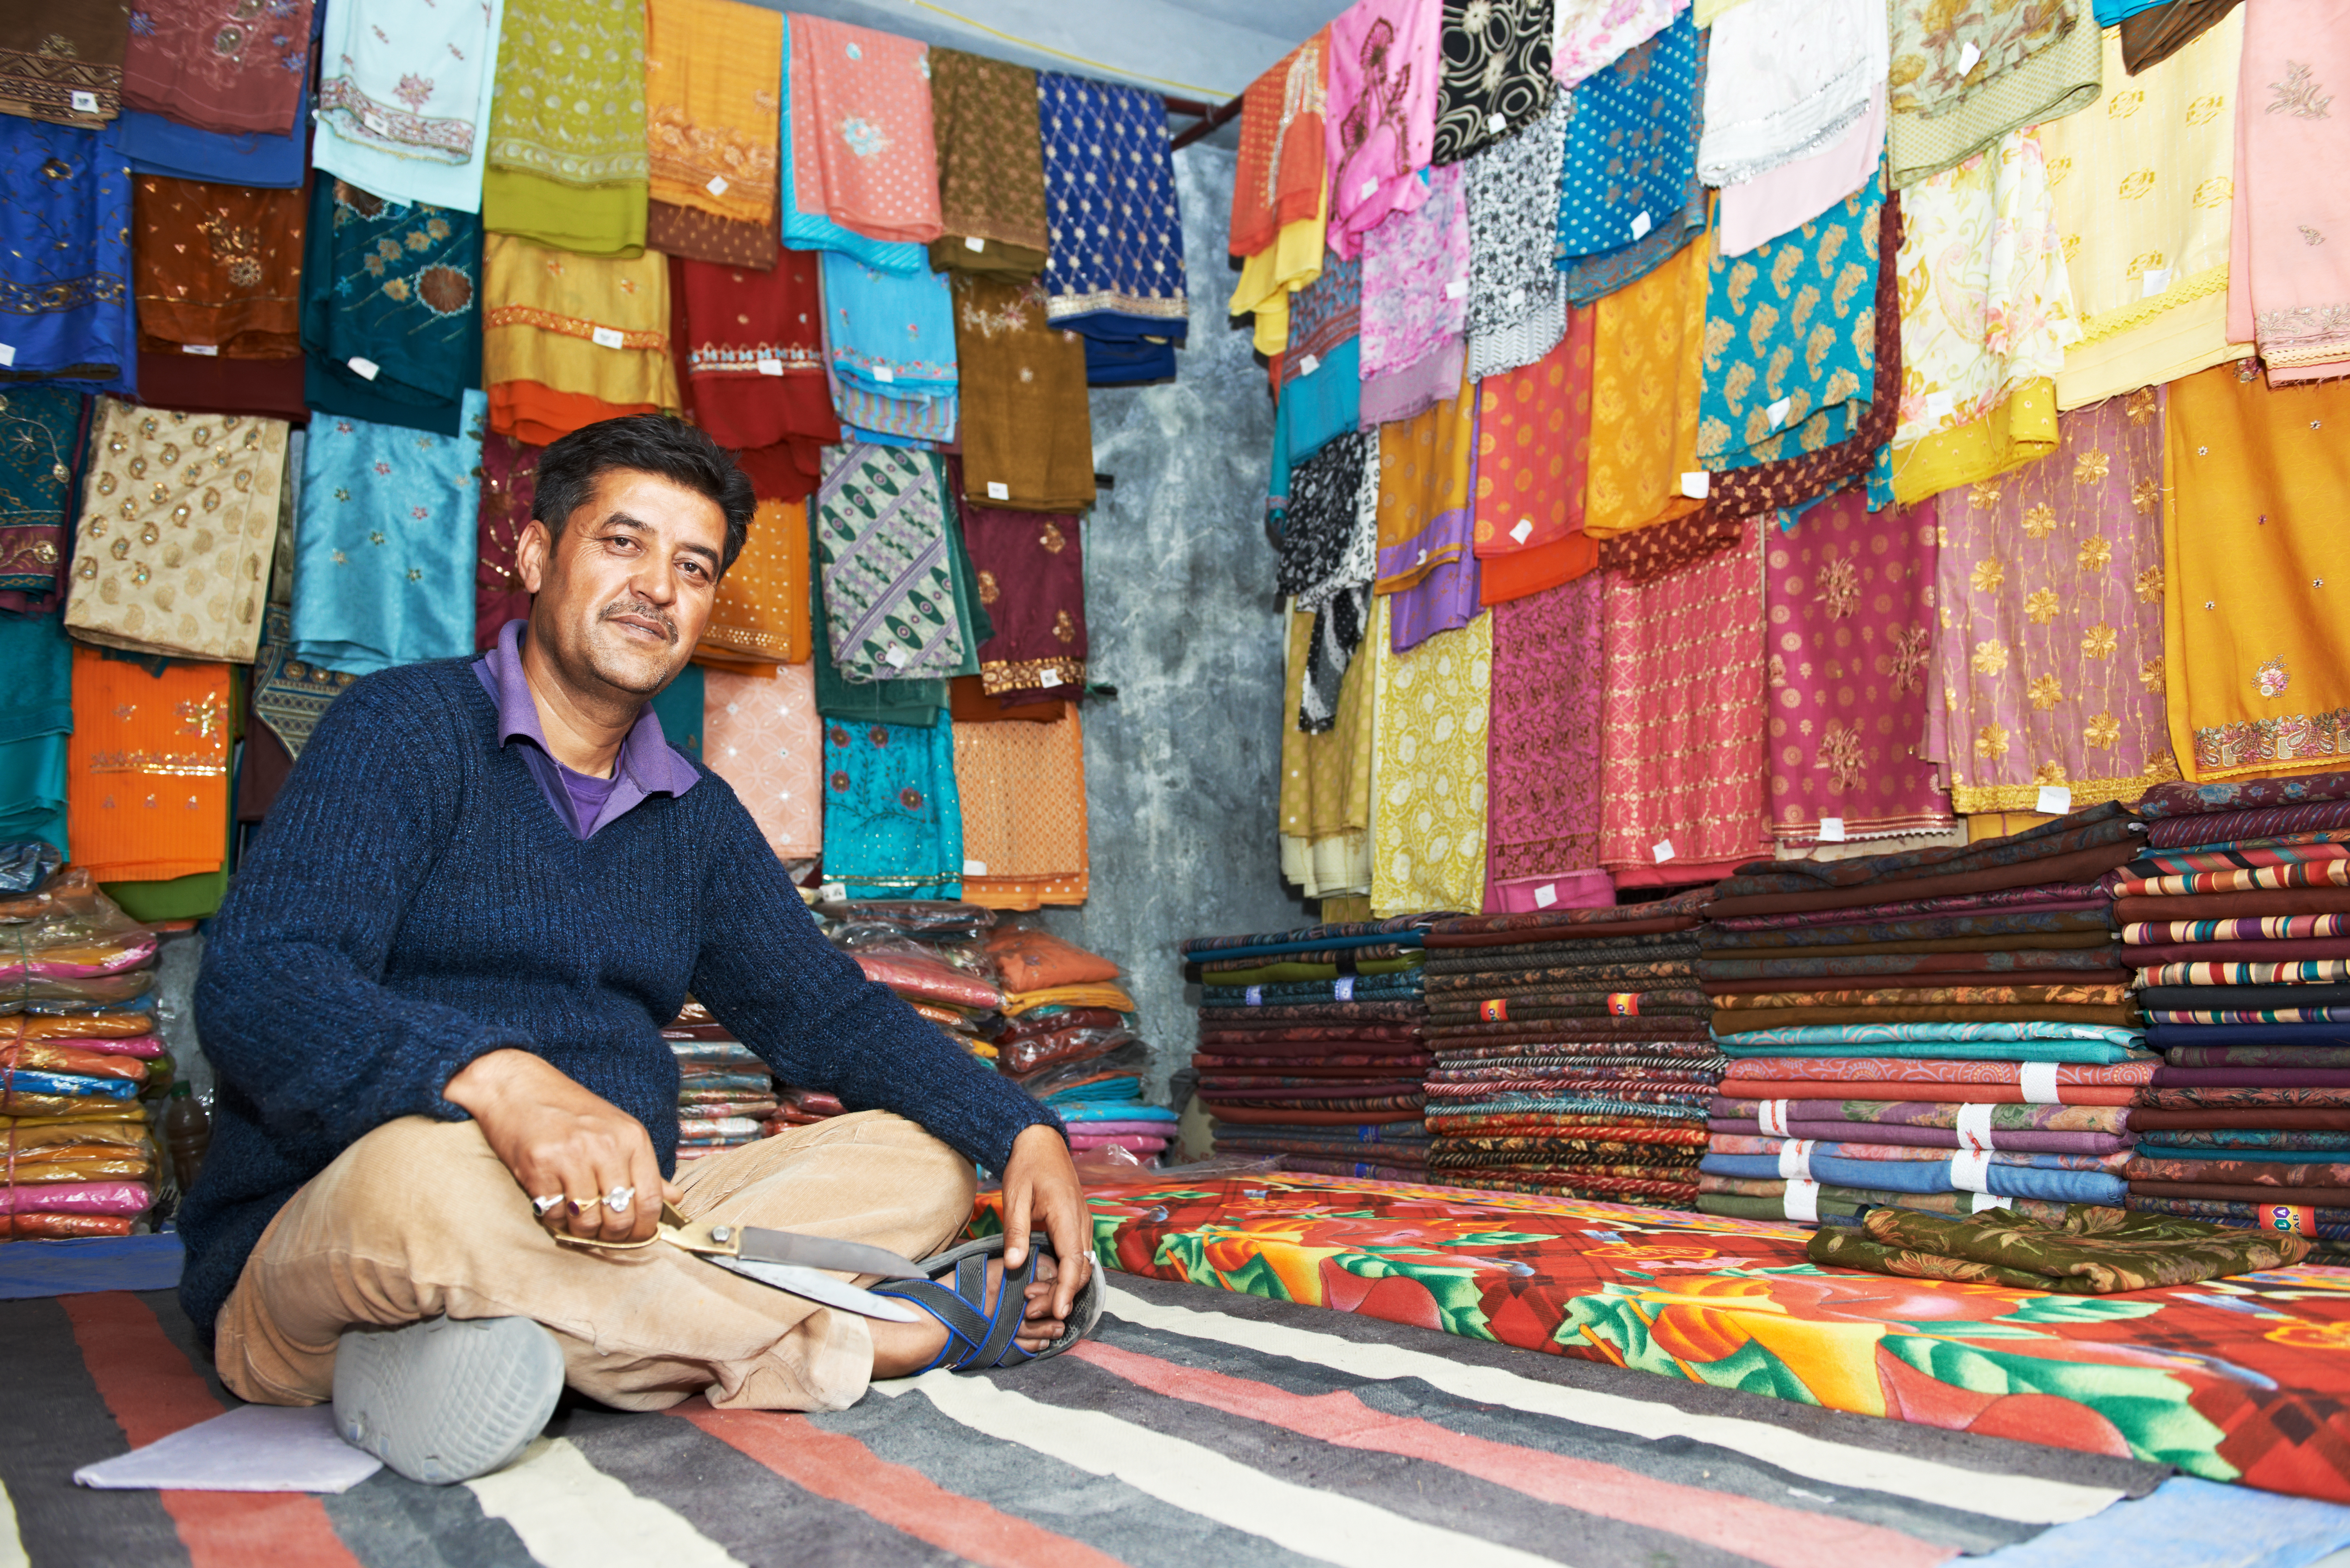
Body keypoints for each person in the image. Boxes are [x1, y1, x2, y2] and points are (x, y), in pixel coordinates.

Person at [182, 415, 1097, 1486]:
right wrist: (498, 1084)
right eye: (623, 543)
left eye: (693, 565)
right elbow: (258, 986)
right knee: (420, 1176)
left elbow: (828, 1016)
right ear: (534, 556)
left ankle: (489, 1355)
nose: (656, 587)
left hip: (610, 1227)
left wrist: (1021, 1129)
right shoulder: (402, 730)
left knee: (919, 1164)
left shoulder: (694, 817)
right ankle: (864, 1338)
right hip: (352, 1216)